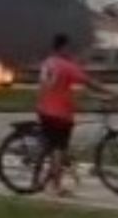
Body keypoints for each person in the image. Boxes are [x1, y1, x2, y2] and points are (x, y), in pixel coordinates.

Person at [37, 33, 112, 196]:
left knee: (53, 147)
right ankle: (56, 187)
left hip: (43, 109)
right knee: (60, 149)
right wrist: (108, 91)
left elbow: (61, 86)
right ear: (63, 47)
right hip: (60, 113)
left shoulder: (47, 63)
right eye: (68, 48)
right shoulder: (67, 66)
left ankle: (52, 178)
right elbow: (88, 82)